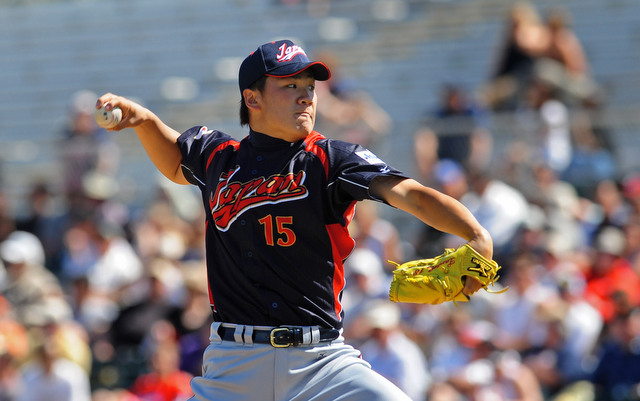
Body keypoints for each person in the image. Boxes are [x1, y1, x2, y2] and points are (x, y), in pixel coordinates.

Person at [96, 38, 494, 401]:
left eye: (309, 87)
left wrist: (473, 232)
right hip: (234, 364)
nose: (305, 96)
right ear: (252, 99)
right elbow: (176, 161)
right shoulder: (220, 157)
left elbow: (412, 195)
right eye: (290, 86)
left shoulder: (332, 159)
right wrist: (144, 121)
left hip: (321, 362)